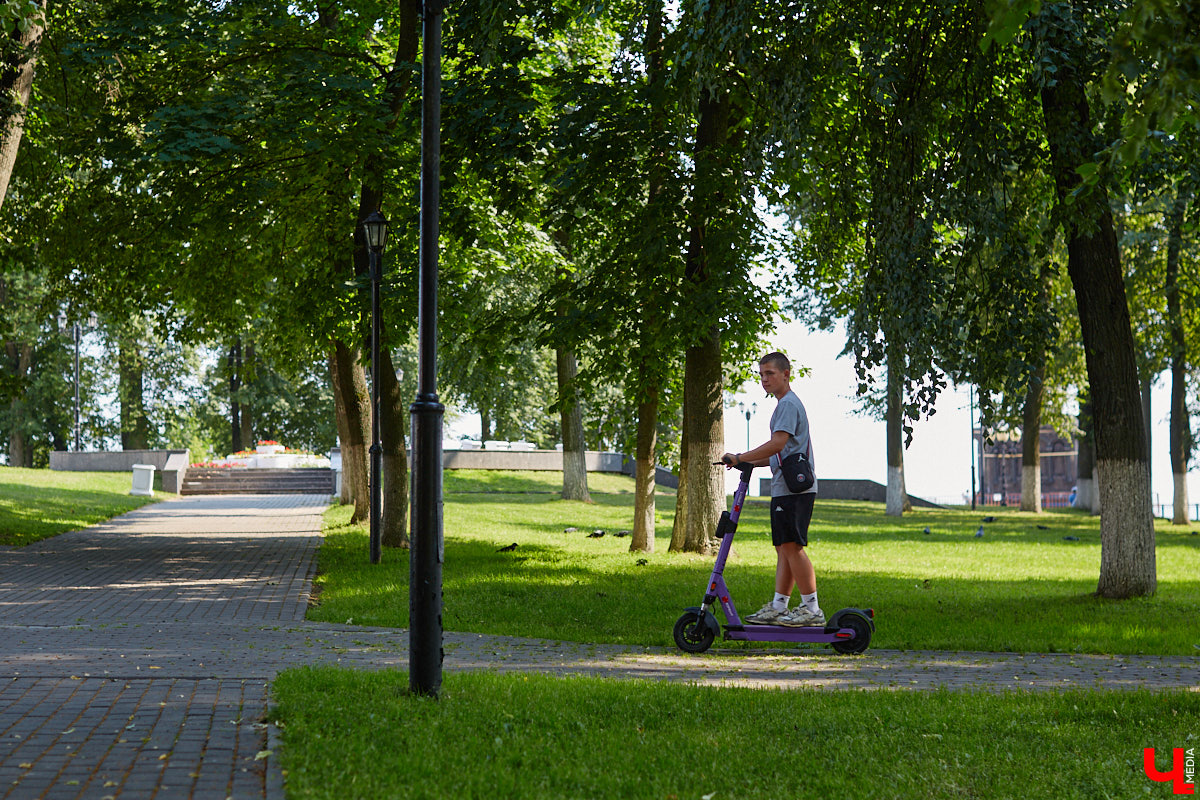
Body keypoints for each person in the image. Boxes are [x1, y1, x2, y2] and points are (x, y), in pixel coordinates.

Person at [721, 351, 823, 627]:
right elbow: (778, 454)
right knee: (783, 547)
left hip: (794, 490)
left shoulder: (788, 405)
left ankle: (811, 609)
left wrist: (742, 456)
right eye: (761, 374)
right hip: (784, 488)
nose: (764, 379)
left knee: (793, 546)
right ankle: (779, 606)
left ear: (786, 374)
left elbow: (778, 444)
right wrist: (747, 462)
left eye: (770, 374)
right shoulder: (783, 405)